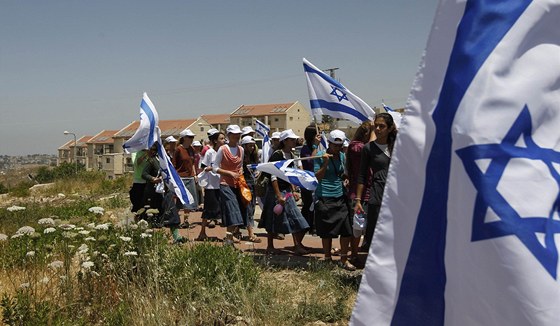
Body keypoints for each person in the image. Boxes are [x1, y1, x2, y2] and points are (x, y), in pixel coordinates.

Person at [259, 129, 309, 255]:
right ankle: (270, 246)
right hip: (275, 191)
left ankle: (296, 245)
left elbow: (290, 176)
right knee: (272, 217)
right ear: (285, 141)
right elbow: (273, 175)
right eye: (292, 140)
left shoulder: (291, 156)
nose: (294, 141)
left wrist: (293, 190)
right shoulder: (277, 154)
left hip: (286, 191)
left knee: (294, 216)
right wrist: (278, 195)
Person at [354, 113, 397, 251]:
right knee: (376, 230)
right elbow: (361, 175)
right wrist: (358, 200)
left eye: (382, 126)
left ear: (390, 128)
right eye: (376, 126)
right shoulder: (368, 148)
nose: (378, 129)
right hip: (378, 193)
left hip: (397, 193)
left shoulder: (399, 145)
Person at [314, 129, 355, 271]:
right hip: (324, 196)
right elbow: (317, 178)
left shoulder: (342, 156)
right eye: (334, 145)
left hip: (340, 196)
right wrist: (325, 163)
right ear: (329, 143)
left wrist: (346, 179)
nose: (337, 148)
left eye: (340, 145)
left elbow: (342, 173)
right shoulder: (320, 155)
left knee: (346, 229)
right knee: (326, 230)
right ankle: (327, 258)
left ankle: (343, 258)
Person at [345, 120, 375, 266]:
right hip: (357, 194)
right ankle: (354, 255)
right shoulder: (355, 147)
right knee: (357, 228)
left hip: (370, 192)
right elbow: (369, 148)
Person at [212, 125, 247, 244]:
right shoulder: (223, 149)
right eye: (234, 134)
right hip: (225, 184)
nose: (237, 136)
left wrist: (240, 172)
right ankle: (229, 239)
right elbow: (215, 167)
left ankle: (229, 239)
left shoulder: (241, 150)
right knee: (233, 210)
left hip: (238, 184)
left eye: (238, 134)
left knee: (235, 212)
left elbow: (240, 166)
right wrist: (229, 173)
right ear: (229, 135)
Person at [196, 130, 226, 241]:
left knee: (224, 210)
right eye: (221, 139)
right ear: (215, 141)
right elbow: (203, 166)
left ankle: (230, 235)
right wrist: (208, 168)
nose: (224, 141)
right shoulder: (210, 152)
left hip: (223, 184)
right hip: (211, 186)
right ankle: (202, 232)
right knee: (208, 210)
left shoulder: (224, 152)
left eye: (224, 138)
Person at [173, 128, 199, 225]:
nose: (191, 139)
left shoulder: (192, 149)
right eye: (189, 137)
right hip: (181, 177)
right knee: (180, 201)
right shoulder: (178, 150)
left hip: (190, 177)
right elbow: (174, 165)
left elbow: (192, 163)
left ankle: (186, 220)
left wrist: (195, 174)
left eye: (192, 137)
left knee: (189, 201)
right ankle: (175, 219)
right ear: (184, 138)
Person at [299, 124, 321, 233]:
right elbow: (312, 161)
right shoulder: (305, 149)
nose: (320, 136)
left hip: (318, 180)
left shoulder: (320, 146)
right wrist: (315, 146)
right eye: (317, 134)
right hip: (308, 182)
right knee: (308, 205)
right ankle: (304, 227)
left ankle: (314, 226)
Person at [241, 135, 262, 243]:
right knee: (248, 208)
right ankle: (250, 233)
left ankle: (239, 230)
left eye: (253, 146)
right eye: (250, 146)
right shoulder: (241, 156)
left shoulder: (254, 156)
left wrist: (258, 171)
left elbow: (256, 167)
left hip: (253, 182)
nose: (252, 148)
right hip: (244, 184)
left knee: (252, 207)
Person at [129, 149, 149, 216]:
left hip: (149, 180)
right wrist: (145, 154)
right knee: (137, 201)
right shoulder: (135, 152)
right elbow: (136, 163)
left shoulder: (151, 152)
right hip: (139, 180)